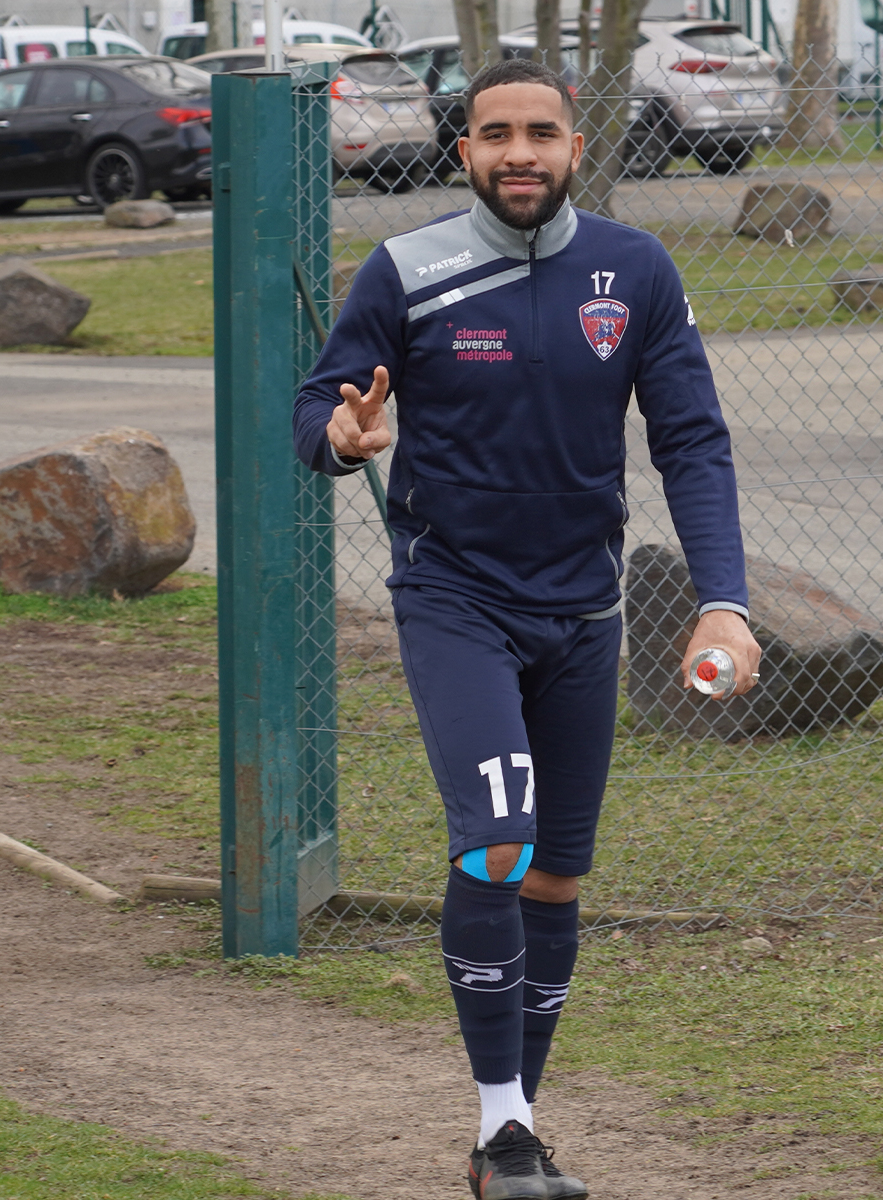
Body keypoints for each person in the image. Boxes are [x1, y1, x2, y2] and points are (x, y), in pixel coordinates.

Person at [293, 57, 761, 1200]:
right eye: (494, 133)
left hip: (583, 610)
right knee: (496, 840)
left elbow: (691, 442)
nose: (518, 153)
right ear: (463, 151)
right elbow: (320, 403)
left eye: (539, 133)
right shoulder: (410, 269)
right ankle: (503, 1133)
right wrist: (342, 440)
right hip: (455, 599)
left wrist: (725, 598)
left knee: (555, 875)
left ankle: (519, 1127)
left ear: (575, 148)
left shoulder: (634, 268)